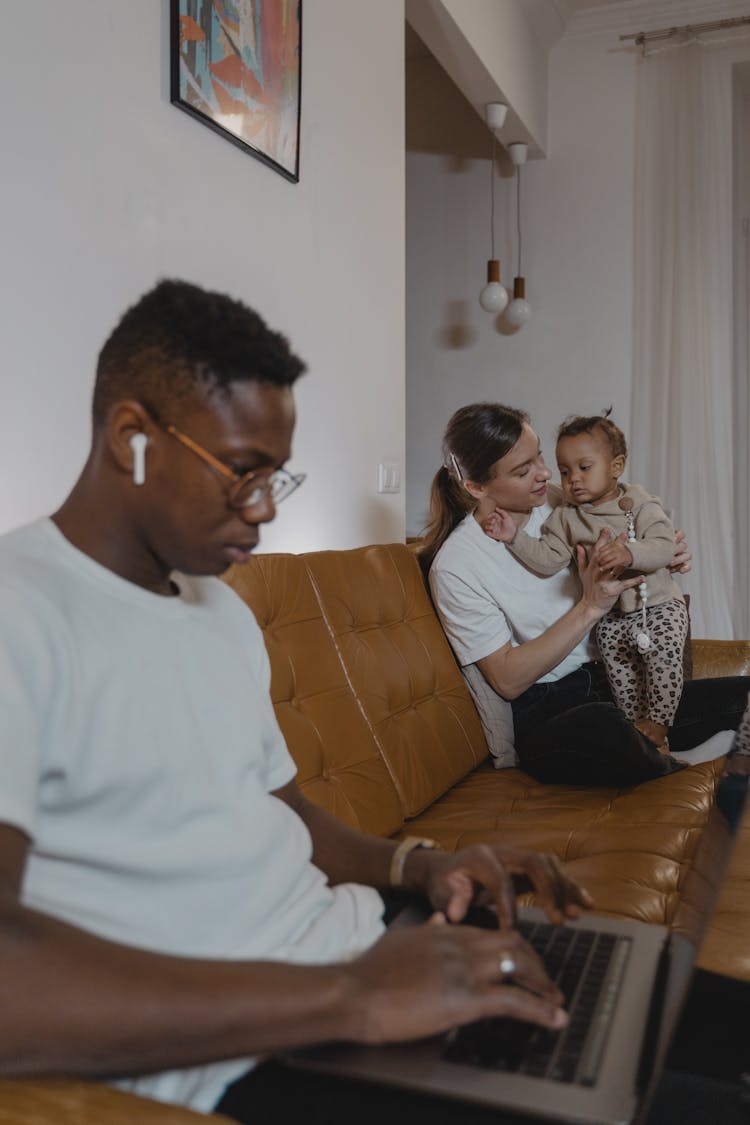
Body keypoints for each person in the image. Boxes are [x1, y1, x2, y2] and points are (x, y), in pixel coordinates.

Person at [0, 282, 594, 1125]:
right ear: (132, 439)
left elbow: (287, 816)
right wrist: (353, 997)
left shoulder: (216, 608)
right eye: (243, 473)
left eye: (277, 477)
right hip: (248, 1049)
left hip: (355, 953)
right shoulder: (19, 615)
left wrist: (420, 865)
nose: (267, 510)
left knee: (662, 1027)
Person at [421, 402, 750, 788]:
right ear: (476, 487)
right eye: (524, 471)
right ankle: (683, 774)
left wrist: (658, 556)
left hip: (617, 681)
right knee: (603, 725)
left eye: (539, 455)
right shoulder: (457, 566)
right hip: (551, 710)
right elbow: (508, 680)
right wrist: (591, 606)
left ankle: (667, 752)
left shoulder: (564, 502)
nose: (546, 473)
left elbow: (635, 533)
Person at [484, 411, 687, 757]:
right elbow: (548, 558)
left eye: (584, 468)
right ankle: (637, 728)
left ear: (616, 466)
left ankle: (659, 725)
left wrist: (629, 553)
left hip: (659, 606)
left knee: (664, 660)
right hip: (612, 619)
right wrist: (514, 538)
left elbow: (665, 545)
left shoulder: (636, 503)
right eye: (565, 471)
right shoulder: (566, 516)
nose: (572, 479)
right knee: (620, 671)